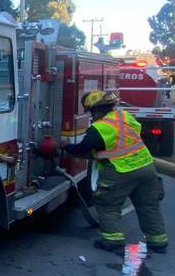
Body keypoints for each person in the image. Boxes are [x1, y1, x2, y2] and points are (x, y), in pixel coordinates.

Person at [62, 90, 168, 253]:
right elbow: (129, 137)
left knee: (107, 204)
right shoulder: (125, 117)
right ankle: (158, 242)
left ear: (95, 110)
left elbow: (81, 149)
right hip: (146, 167)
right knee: (148, 205)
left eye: (91, 111)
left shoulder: (99, 128)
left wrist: (64, 146)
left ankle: (113, 240)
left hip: (122, 170)